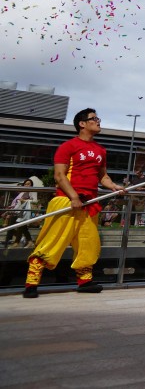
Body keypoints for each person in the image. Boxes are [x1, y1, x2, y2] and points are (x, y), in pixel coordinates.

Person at [24, 109, 125, 298]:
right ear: (82, 124)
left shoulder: (100, 150)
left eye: (98, 118)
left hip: (89, 204)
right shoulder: (68, 146)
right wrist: (73, 197)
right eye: (94, 119)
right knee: (51, 242)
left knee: (88, 243)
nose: (98, 121)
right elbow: (59, 175)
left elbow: (102, 176)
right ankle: (31, 283)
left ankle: (85, 281)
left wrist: (114, 186)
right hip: (67, 202)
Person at [4, 179, 37, 249]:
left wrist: (24, 200)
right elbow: (16, 202)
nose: (27, 185)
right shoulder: (22, 192)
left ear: (31, 185)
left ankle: (16, 242)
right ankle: (29, 241)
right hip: (17, 211)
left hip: (24, 212)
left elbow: (35, 201)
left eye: (29, 184)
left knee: (19, 226)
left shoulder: (32, 191)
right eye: (25, 184)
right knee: (20, 227)